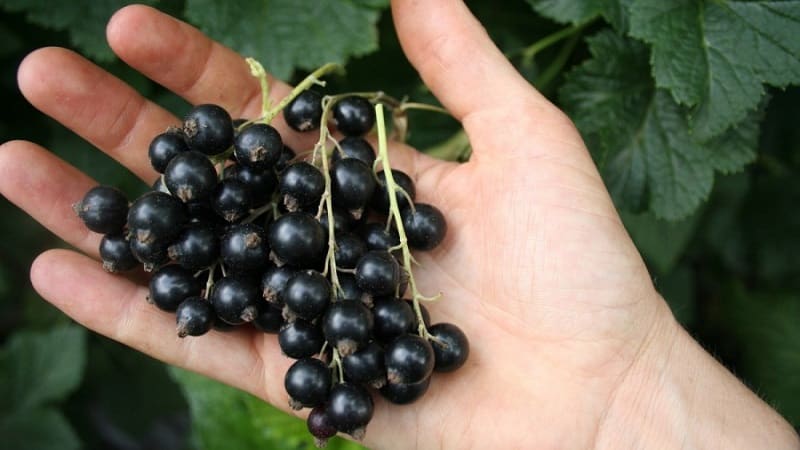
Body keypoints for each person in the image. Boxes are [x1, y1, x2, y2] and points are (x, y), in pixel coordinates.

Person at [1, 1, 798, 448]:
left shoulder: (356, 242)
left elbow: (312, 250)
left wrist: (619, 396)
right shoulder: (288, 225)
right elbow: (284, 246)